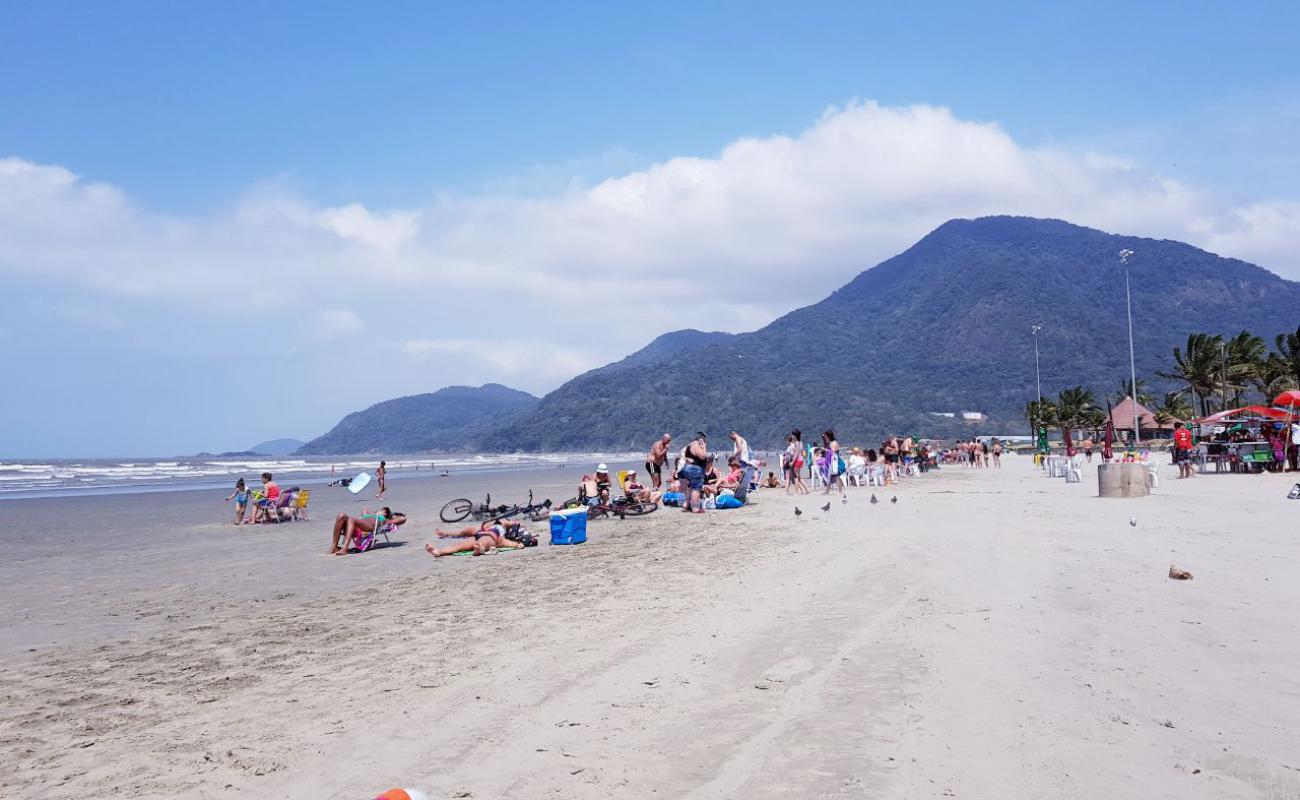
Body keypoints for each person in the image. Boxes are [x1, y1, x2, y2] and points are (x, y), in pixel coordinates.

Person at [425, 518, 524, 557]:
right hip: (480, 532)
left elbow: (509, 542)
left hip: (493, 535)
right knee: (459, 545)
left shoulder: (504, 523)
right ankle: (439, 552)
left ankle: (480, 549)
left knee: (485, 539)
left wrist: (518, 544)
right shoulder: (500, 521)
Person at [329, 507, 407, 554]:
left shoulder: (385, 520)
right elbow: (364, 509)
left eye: (381, 510)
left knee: (352, 519)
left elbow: (403, 519)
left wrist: (391, 515)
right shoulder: (370, 515)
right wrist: (375, 513)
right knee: (341, 515)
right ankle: (334, 546)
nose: (378, 510)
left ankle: (344, 548)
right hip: (355, 526)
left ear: (385, 513)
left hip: (369, 528)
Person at [678, 432, 709, 513]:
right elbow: (702, 456)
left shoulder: (690, 445)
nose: (703, 443)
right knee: (696, 488)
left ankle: (686, 504)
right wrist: (704, 447)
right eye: (703, 441)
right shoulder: (695, 445)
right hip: (695, 469)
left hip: (688, 468)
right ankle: (695, 508)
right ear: (699, 440)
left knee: (691, 487)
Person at [728, 430, 758, 502]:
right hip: (744, 460)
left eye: (731, 438)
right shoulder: (742, 439)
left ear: (733, 434)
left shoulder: (738, 439)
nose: (731, 440)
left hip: (742, 461)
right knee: (744, 480)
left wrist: (733, 457)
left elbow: (739, 450)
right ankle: (744, 497)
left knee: (740, 480)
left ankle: (742, 497)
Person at [785, 430, 809, 495]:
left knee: (796, 476)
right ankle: (806, 490)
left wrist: (792, 461)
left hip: (797, 460)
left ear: (795, 435)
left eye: (792, 435)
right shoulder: (800, 442)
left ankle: (796, 491)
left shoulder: (797, 443)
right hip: (800, 460)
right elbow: (802, 452)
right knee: (798, 477)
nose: (791, 436)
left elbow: (796, 453)